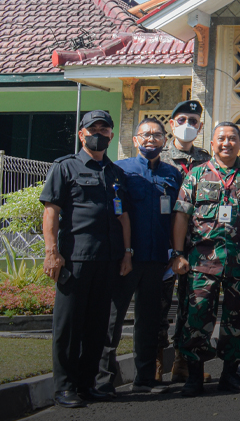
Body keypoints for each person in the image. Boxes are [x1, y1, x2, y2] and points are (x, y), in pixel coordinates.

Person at [169, 121, 240, 397]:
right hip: (203, 261)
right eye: (221, 139)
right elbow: (181, 214)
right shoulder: (197, 175)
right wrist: (178, 254)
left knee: (238, 319)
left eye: (232, 139)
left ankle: (230, 374)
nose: (227, 143)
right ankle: (194, 376)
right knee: (197, 316)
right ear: (212, 143)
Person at [40, 110, 132, 408]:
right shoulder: (65, 168)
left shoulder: (115, 173)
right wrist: (52, 253)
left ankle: (87, 383)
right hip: (75, 260)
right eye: (93, 129)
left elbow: (124, 216)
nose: (99, 133)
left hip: (107, 259)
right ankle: (64, 387)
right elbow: (51, 211)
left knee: (97, 327)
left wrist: (127, 252)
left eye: (104, 129)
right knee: (68, 327)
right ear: (81, 134)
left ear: (111, 135)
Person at [97, 117, 182, 395]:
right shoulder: (120, 170)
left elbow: (177, 218)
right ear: (135, 140)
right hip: (125, 259)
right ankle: (103, 381)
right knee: (113, 320)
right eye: (145, 135)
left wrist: (175, 251)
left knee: (149, 321)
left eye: (157, 135)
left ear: (165, 141)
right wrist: (122, 253)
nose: (150, 139)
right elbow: (114, 214)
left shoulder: (172, 174)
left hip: (157, 259)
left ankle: (145, 379)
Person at [159, 99, 211, 385]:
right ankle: (155, 362)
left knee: (192, 306)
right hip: (162, 243)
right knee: (159, 304)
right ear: (172, 124)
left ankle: (183, 361)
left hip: (198, 246)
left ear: (200, 126)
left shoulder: (206, 160)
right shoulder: (159, 157)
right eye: (182, 120)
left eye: (193, 121)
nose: (187, 126)